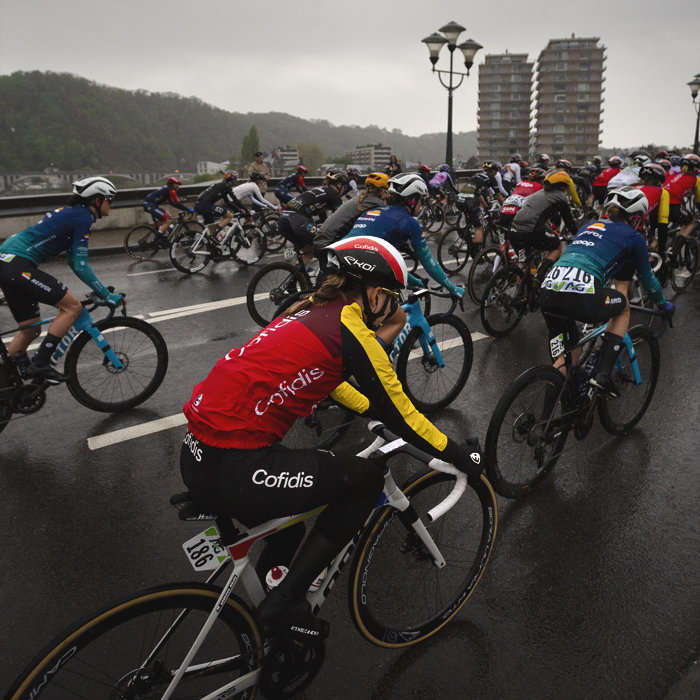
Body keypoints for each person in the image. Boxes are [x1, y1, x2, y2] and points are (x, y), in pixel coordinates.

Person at [180, 235, 484, 636]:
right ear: (375, 293)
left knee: (287, 525)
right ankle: (284, 605)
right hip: (239, 467)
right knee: (365, 481)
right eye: (392, 296)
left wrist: (371, 410)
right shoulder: (352, 329)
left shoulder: (302, 308)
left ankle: (269, 617)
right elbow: (404, 415)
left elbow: (325, 382)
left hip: (195, 453)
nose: (393, 305)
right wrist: (458, 454)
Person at [539, 186, 672, 397]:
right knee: (623, 307)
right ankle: (601, 374)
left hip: (547, 292)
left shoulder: (588, 226)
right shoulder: (634, 237)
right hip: (582, 296)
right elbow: (648, 281)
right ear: (636, 217)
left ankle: (549, 423)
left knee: (565, 359)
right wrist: (664, 304)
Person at [0, 177, 123, 383]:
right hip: (18, 265)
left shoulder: (73, 213)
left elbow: (72, 260)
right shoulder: (83, 217)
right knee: (72, 308)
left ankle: (4, 383)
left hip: (7, 262)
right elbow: (80, 265)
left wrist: (101, 289)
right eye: (110, 199)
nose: (112, 204)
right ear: (97, 200)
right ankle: (40, 364)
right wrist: (106, 294)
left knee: (30, 329)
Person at [344, 173, 465, 300]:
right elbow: (430, 264)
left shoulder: (373, 211)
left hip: (337, 258)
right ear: (412, 200)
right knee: (397, 319)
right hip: (358, 268)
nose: (422, 204)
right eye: (421, 200)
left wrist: (412, 281)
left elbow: (386, 264)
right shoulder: (408, 222)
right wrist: (453, 289)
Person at [508, 171, 578, 285]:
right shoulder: (560, 197)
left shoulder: (538, 193)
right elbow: (569, 222)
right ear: (562, 186)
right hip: (531, 231)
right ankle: (540, 275)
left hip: (514, 230)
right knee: (557, 246)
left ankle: (519, 294)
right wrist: (579, 235)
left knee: (525, 263)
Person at [278, 170, 349, 268]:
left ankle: (297, 277)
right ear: (339, 184)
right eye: (344, 186)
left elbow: (324, 219)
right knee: (328, 246)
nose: (344, 189)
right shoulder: (334, 194)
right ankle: (327, 278)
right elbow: (341, 218)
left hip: (283, 220)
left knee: (309, 251)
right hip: (296, 220)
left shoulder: (322, 190)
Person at [313, 172, 389, 254]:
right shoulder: (376, 203)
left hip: (322, 240)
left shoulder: (361, 198)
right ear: (383, 191)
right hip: (329, 244)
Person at [456, 162, 506, 248]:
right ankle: (476, 255)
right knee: (479, 228)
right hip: (470, 201)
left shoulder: (477, 175)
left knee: (470, 222)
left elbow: (478, 194)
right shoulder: (491, 178)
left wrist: (486, 206)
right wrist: (505, 209)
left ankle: (468, 241)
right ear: (494, 171)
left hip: (459, 199)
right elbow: (499, 197)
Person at [664, 154, 700, 254]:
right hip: (673, 206)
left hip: (657, 205)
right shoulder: (696, 179)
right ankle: (674, 251)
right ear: (695, 168)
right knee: (690, 220)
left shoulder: (671, 176)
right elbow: (699, 201)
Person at [195, 170, 247, 237]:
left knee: (212, 226)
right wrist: (245, 210)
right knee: (229, 216)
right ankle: (214, 234)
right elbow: (235, 200)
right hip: (205, 205)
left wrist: (238, 209)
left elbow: (227, 202)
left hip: (199, 205)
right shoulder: (226, 185)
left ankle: (212, 242)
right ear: (233, 179)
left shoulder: (222, 185)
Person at [499, 167, 546, 234]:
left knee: (506, 238)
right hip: (518, 213)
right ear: (542, 180)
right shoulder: (539, 187)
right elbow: (542, 207)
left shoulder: (521, 183)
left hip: (505, 210)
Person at [636, 163, 670, 254]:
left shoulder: (630, 186)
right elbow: (662, 225)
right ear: (659, 182)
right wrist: (662, 251)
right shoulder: (662, 192)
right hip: (634, 230)